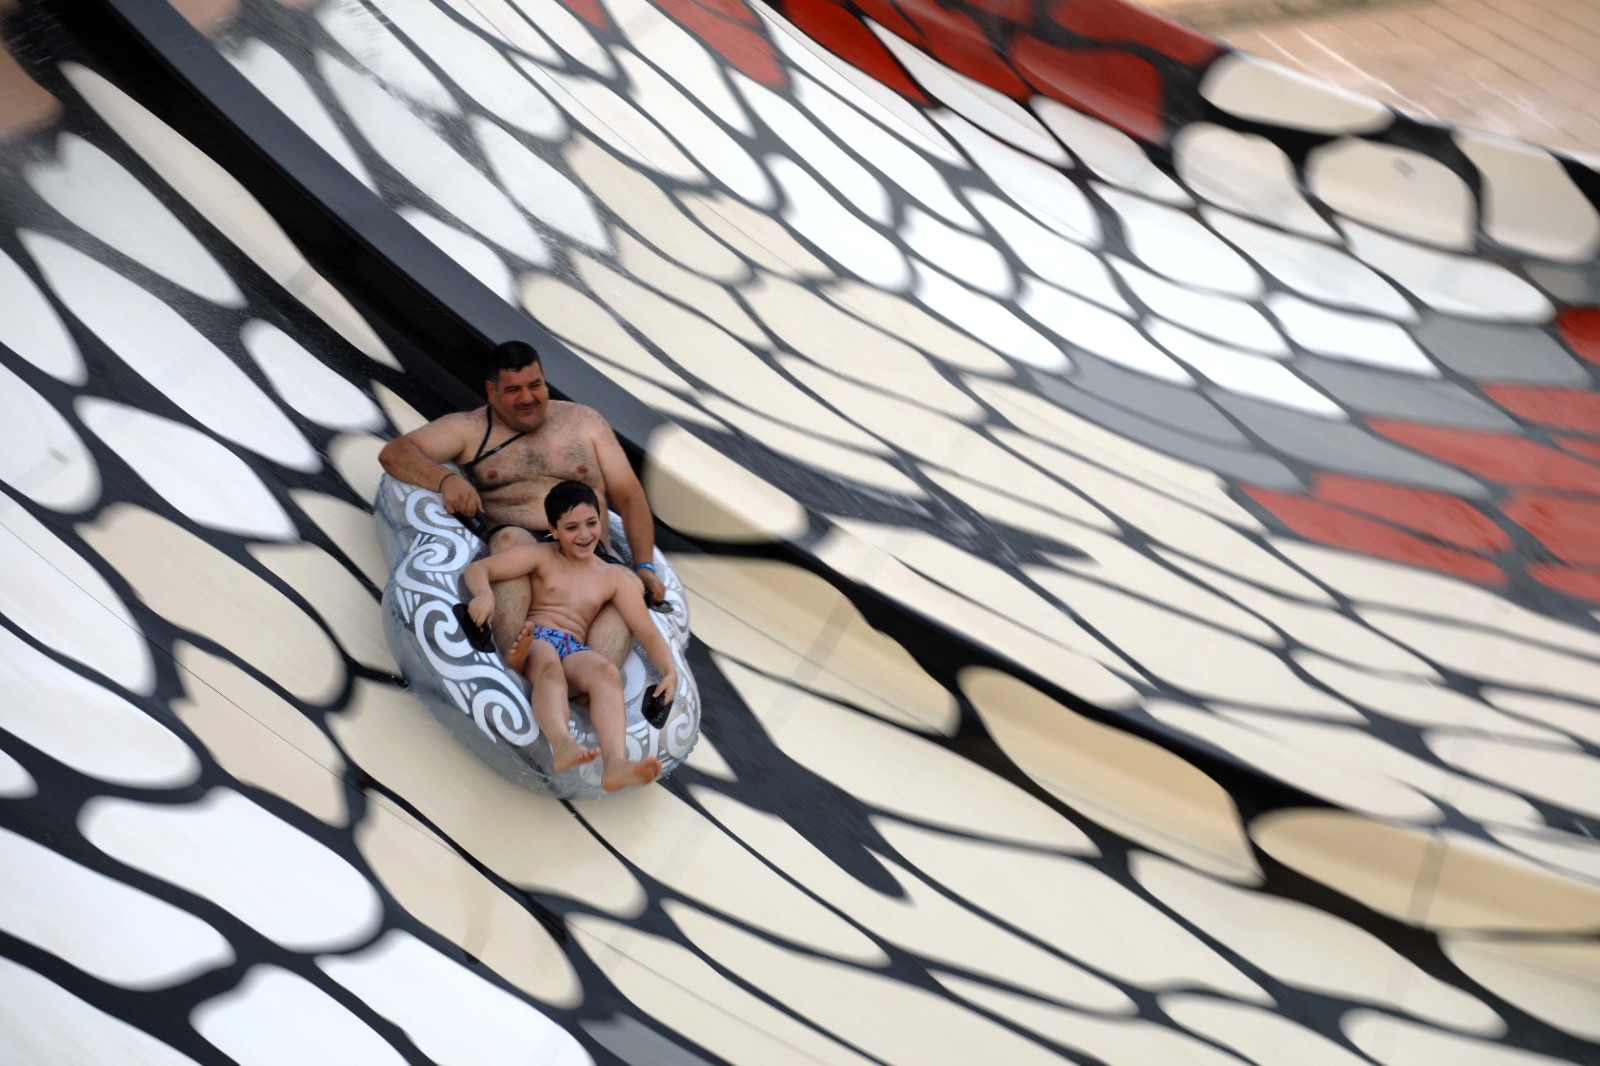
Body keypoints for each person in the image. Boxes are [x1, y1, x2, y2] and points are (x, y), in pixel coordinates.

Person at [379, 340, 665, 668]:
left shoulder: (585, 422)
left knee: (627, 584)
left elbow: (630, 496)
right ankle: (513, 666)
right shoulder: (470, 429)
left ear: (544, 381)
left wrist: (644, 567)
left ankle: (589, 683)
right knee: (512, 540)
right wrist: (446, 481)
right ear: (492, 391)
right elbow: (395, 453)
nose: (527, 398)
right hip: (521, 547)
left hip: (590, 555)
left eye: (534, 385)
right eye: (513, 389)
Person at [465, 481, 672, 791]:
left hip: (573, 647)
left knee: (606, 673)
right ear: (554, 529)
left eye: (591, 523)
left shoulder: (612, 577)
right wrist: (484, 595)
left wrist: (669, 672)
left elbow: (647, 632)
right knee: (548, 665)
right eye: (572, 527)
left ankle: (615, 764)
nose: (584, 534)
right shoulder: (542, 556)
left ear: (600, 520)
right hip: (535, 636)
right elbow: (479, 570)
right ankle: (562, 743)